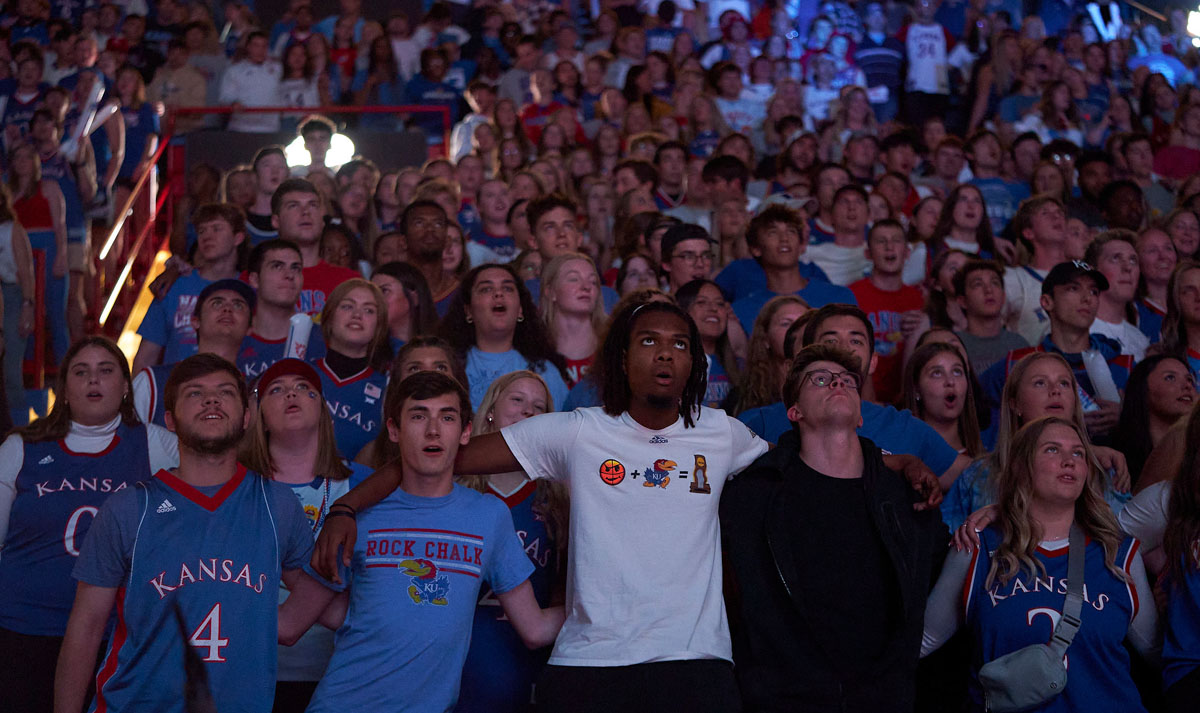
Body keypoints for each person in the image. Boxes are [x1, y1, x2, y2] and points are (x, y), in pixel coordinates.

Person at [313, 301, 916, 713]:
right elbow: (437, 457)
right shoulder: (575, 431)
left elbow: (814, 451)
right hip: (588, 665)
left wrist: (902, 464)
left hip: (694, 664)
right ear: (620, 359)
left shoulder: (722, 433)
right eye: (648, 340)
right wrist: (346, 509)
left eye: (679, 344)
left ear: (694, 363)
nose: (665, 353)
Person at [278, 371, 565, 713]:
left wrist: (602, 606)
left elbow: (534, 629)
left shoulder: (490, 516)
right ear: (394, 430)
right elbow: (291, 624)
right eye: (418, 416)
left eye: (447, 417)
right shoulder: (361, 515)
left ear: (466, 431)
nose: (433, 429)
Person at [53, 353, 315, 713]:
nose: (211, 400)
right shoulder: (128, 509)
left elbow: (322, 598)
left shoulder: (279, 505)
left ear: (246, 417)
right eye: (195, 393)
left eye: (225, 392)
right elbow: (85, 629)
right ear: (170, 421)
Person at [721, 343, 948, 711]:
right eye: (821, 379)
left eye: (847, 381)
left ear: (860, 415)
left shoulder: (906, 496)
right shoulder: (756, 494)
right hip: (785, 697)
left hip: (882, 698)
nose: (837, 384)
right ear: (795, 411)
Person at [921, 416, 1158, 712]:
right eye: (1052, 450)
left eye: (1078, 453)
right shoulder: (977, 547)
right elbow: (922, 640)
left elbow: (1158, 652)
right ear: (1021, 466)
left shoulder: (1119, 553)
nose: (1069, 461)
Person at [0, 337, 177, 713]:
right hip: (22, 629)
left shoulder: (157, 445)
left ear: (126, 386)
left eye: (106, 371)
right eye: (81, 372)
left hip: (120, 636)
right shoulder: (21, 446)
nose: (93, 380)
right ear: (63, 388)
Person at [238, 359, 360, 713]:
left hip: (336, 673)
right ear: (258, 415)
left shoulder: (362, 484)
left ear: (323, 410)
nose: (291, 393)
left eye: (304, 388)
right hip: (248, 669)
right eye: (276, 389)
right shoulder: (235, 487)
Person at [738, 303, 970, 489]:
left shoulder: (903, 426)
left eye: (856, 340)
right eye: (830, 340)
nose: (843, 347)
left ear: (874, 362)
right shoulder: (761, 422)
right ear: (807, 356)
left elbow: (974, 477)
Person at [455, 370, 568, 713]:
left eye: (539, 407)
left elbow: (564, 582)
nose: (527, 411)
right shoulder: (455, 485)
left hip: (529, 652)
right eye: (517, 400)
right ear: (491, 409)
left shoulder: (558, 497)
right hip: (462, 647)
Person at [944, 351, 1132, 531]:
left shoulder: (1105, 469)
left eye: (1064, 383)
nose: (1055, 390)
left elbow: (1126, 543)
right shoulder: (977, 477)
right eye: (1040, 383)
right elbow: (949, 546)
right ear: (1015, 403)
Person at [982, 261, 1131, 440]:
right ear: (1047, 301)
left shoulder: (1126, 367)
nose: (1087, 298)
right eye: (1073, 289)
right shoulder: (1017, 364)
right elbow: (980, 422)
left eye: (1094, 291)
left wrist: (1129, 418)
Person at [440, 264, 569, 410]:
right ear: (468, 311)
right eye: (486, 289)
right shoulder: (447, 367)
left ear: (520, 310)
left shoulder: (546, 372)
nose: (498, 294)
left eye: (507, 288)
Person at [134, 279, 255, 428]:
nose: (228, 309)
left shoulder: (253, 392)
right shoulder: (153, 382)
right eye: (217, 303)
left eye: (238, 305)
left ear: (250, 328)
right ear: (195, 321)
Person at [726, 205, 855, 335]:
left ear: (801, 245)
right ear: (756, 249)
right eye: (773, 233)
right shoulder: (741, 311)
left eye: (791, 231)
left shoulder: (839, 298)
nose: (784, 239)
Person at [309, 278, 390, 461]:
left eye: (368, 310)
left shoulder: (387, 389)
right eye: (347, 306)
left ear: (378, 327)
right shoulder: (301, 375)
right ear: (329, 318)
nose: (357, 315)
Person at [850, 219, 925, 403]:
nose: (889, 247)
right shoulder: (851, 294)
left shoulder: (919, 299)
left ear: (907, 252)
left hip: (906, 400)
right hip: (860, 397)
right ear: (868, 253)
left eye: (896, 240)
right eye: (881, 241)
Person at [1111, 355, 1194, 487]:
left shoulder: (1195, 454)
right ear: (1143, 389)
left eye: (1190, 380)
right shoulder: (1115, 454)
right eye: (1170, 378)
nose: (1187, 386)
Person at [1004, 196, 1070, 345]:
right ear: (1028, 233)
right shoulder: (1013, 279)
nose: (1056, 216)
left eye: (1060, 212)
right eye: (1045, 213)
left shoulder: (1084, 277)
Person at [902, 341, 983, 457]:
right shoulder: (902, 458)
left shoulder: (985, 463)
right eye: (937, 373)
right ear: (916, 389)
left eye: (957, 371)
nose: (950, 381)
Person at [733, 295, 810, 415]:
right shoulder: (742, 396)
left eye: (804, 323)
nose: (798, 331)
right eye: (786, 324)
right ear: (765, 338)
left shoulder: (831, 388)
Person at [239, 239, 305, 380]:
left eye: (296, 268)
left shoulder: (324, 340)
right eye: (277, 266)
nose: (289, 275)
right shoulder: (234, 337)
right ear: (255, 280)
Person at [954, 259, 1029, 375]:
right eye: (977, 284)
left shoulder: (1019, 344)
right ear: (962, 301)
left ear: (1003, 297)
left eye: (995, 283)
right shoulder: (955, 345)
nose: (989, 290)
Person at [0, 181, 35, 427]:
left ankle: (21, 436)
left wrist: (27, 306)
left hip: (12, 297)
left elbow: (26, 272)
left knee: (11, 371)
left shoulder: (12, 230)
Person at [539, 253, 604, 387]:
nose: (586, 287)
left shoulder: (613, 344)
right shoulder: (533, 350)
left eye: (593, 281)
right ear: (550, 292)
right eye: (574, 279)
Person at [1085, 230, 1150, 360]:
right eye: (1115, 258)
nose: (1127, 268)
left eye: (1133, 260)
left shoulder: (1141, 341)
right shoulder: (1075, 332)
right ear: (1093, 271)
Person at [676, 279, 739, 408]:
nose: (713, 309)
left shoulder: (739, 366)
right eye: (701, 302)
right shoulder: (673, 363)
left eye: (720, 304)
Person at [806, 184, 872, 286]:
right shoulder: (809, 255)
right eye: (844, 202)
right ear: (831, 215)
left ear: (868, 215)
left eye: (858, 202)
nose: (851, 207)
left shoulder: (878, 255)